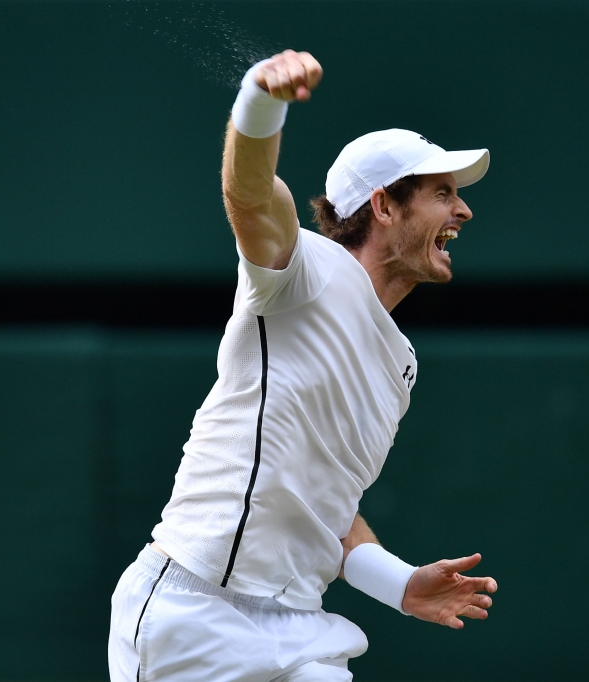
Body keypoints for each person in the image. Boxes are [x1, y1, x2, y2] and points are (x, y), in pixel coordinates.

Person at [108, 49, 496, 682]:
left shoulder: (401, 366)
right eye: (442, 194)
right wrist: (260, 98)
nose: (463, 211)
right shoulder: (302, 270)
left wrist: (400, 584)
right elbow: (250, 194)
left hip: (298, 629)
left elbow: (330, 507)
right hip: (193, 611)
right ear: (384, 206)